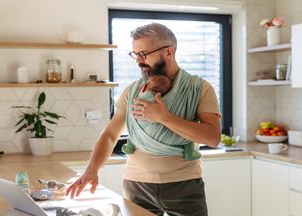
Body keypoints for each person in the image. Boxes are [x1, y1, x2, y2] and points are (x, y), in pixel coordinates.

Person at [66, 23, 221, 216]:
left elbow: (213, 137)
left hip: (184, 185)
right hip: (136, 185)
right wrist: (92, 169)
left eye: (144, 54)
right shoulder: (132, 91)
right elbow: (110, 135)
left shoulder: (200, 89)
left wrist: (163, 117)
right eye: (135, 54)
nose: (138, 61)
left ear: (169, 52)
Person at [121, 74, 202, 161]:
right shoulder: (165, 102)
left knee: (132, 130)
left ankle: (129, 147)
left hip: (140, 134)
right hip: (171, 139)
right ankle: (189, 153)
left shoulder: (138, 97)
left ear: (144, 87)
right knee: (187, 136)